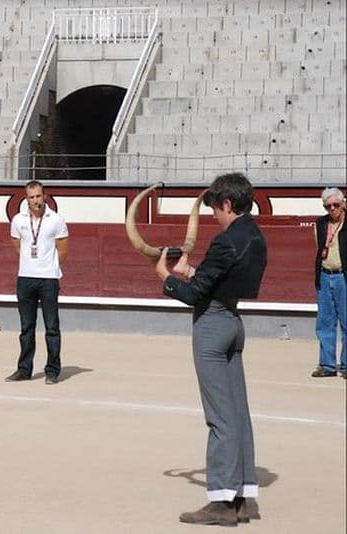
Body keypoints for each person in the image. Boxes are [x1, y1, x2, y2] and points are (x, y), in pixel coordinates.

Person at [154, 172, 267, 526]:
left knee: (219, 416)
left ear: (228, 204)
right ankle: (245, 496)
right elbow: (218, 280)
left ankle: (221, 501)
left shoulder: (224, 240)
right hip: (234, 320)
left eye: (216, 210)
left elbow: (193, 296)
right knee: (238, 412)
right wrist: (195, 273)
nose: (214, 217)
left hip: (213, 327)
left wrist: (167, 278)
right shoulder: (255, 237)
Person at [6, 180, 69, 385]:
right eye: (32, 197)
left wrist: (49, 267)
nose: (36, 201)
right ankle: (24, 369)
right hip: (25, 277)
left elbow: (63, 250)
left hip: (49, 278)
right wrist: (30, 264)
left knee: (51, 326)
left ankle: (52, 370)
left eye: (38, 196)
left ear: (45, 196)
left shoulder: (56, 220)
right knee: (26, 327)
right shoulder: (18, 220)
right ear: (27, 199)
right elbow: (17, 245)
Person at [311, 187, 346, 379]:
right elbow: (319, 249)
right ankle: (328, 365)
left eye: (335, 205)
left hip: (344, 276)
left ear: (343, 204)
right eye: (328, 206)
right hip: (325, 275)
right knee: (324, 323)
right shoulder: (321, 223)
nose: (332, 209)